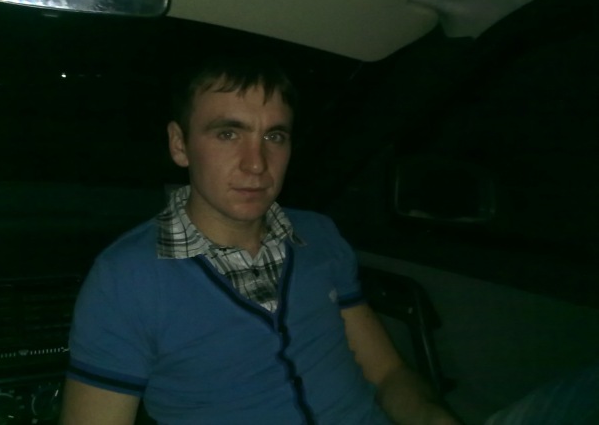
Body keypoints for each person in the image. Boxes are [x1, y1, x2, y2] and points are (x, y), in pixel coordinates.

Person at [59, 55, 460, 425]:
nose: (256, 164)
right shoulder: (126, 278)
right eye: (228, 134)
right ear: (180, 145)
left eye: (274, 137)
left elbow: (387, 373)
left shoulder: (319, 235)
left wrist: (433, 418)